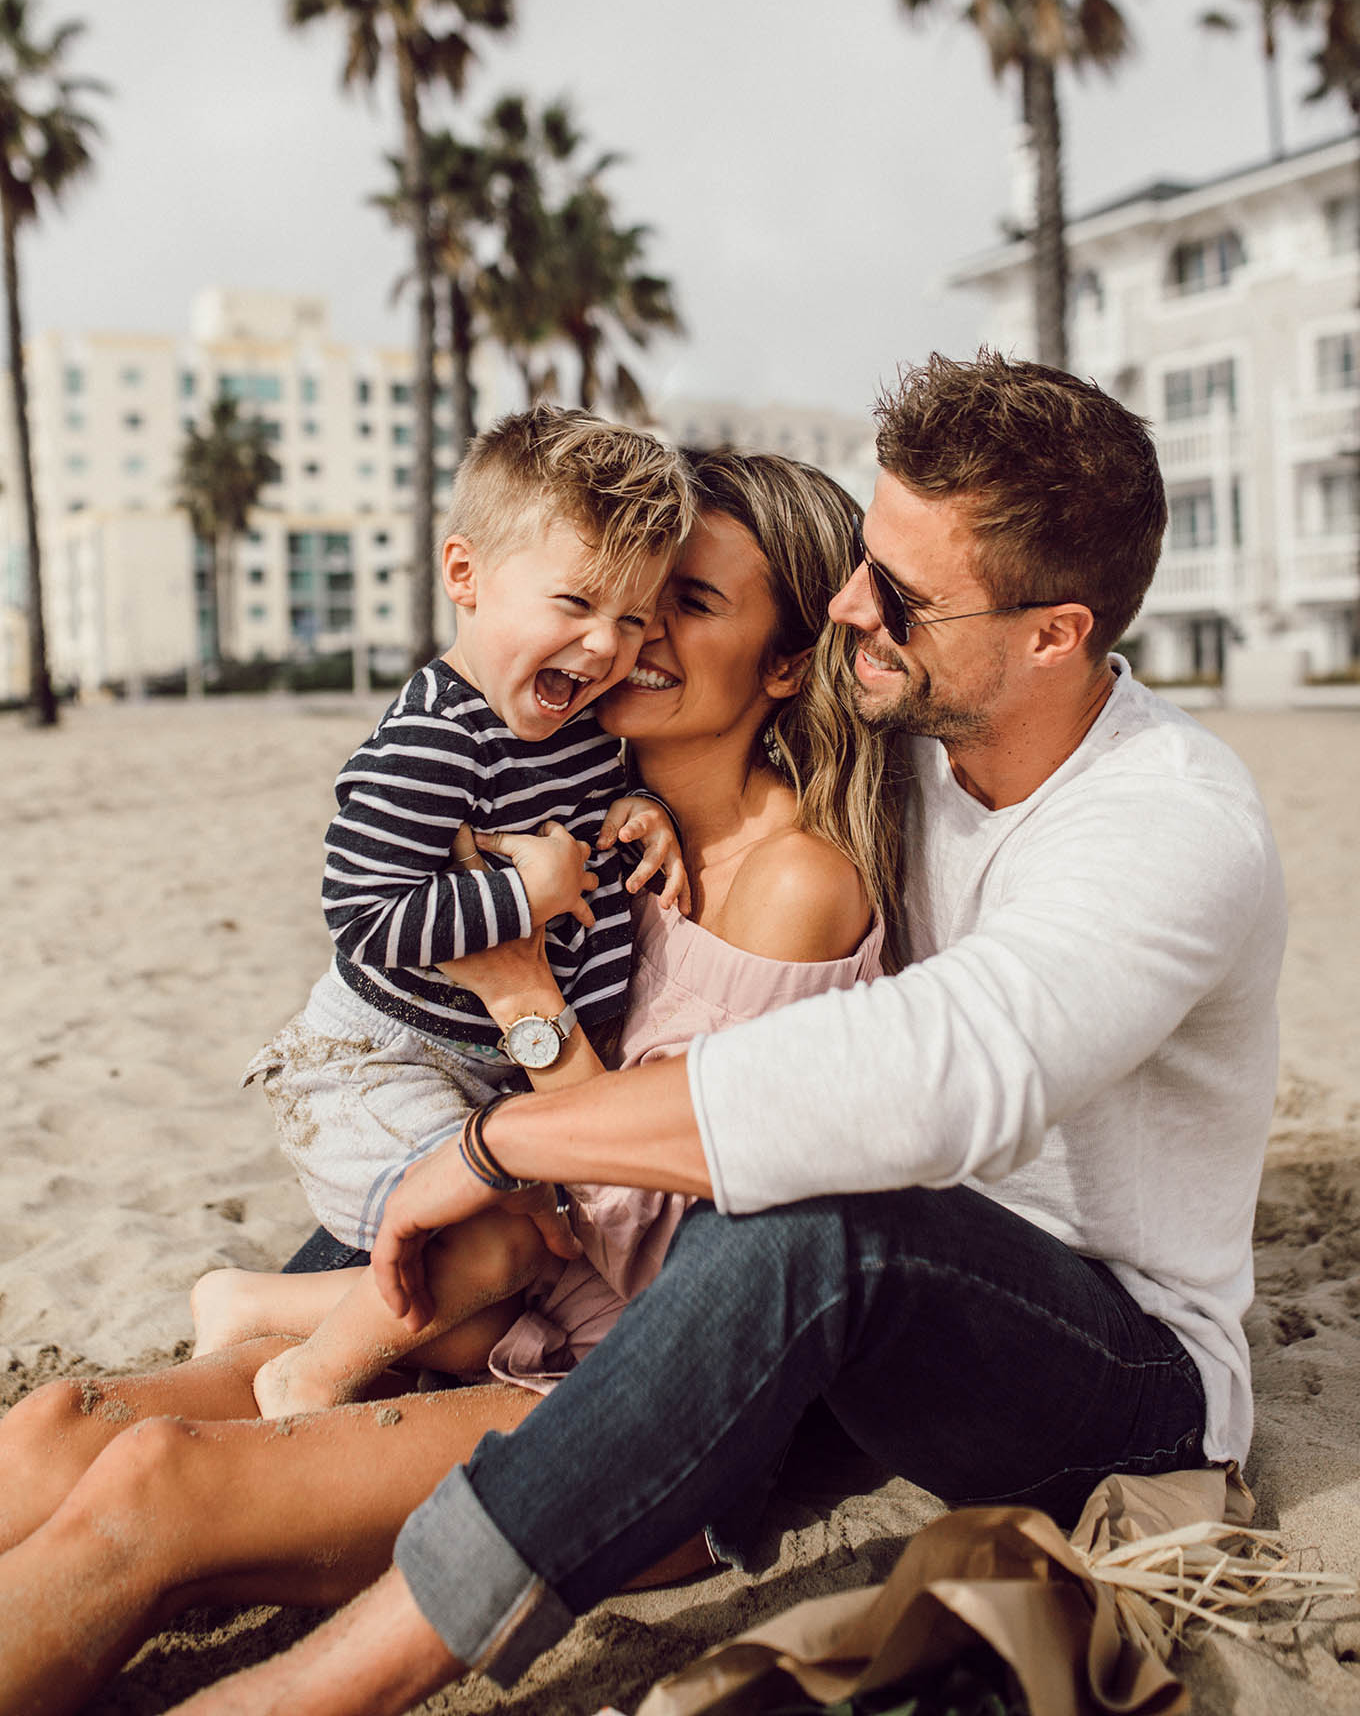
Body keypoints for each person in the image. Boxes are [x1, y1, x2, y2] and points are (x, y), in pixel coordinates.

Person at [141, 347, 1283, 1716]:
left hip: (1110, 1363)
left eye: (906, 599)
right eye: (863, 561)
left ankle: (328, 1685)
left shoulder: (1168, 825)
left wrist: (509, 1135)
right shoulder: (904, 733)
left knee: (823, 1214)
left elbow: (933, 1085)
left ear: (1056, 632)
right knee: (184, 1417)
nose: (859, 608)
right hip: (816, 1324)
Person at [0, 446, 902, 1715]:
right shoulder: (581, 782)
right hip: (485, 1288)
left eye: (683, 608)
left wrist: (522, 993)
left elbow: (688, 1268)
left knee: (158, 1492)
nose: (630, 640)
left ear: (787, 662)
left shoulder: (795, 887)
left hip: (614, 1378)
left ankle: (274, 1324)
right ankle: (275, 1319)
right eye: (626, 599)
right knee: (67, 1431)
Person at [207, 404, 694, 1421]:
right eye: (575, 602)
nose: (606, 645)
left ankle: (250, 1303)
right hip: (380, 1061)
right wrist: (528, 894)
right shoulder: (431, 741)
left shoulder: (569, 721)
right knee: (499, 1248)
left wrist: (632, 807)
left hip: (481, 1068)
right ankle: (305, 1373)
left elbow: (568, 808)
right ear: (464, 576)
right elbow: (365, 914)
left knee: (482, 1313)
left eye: (636, 617)